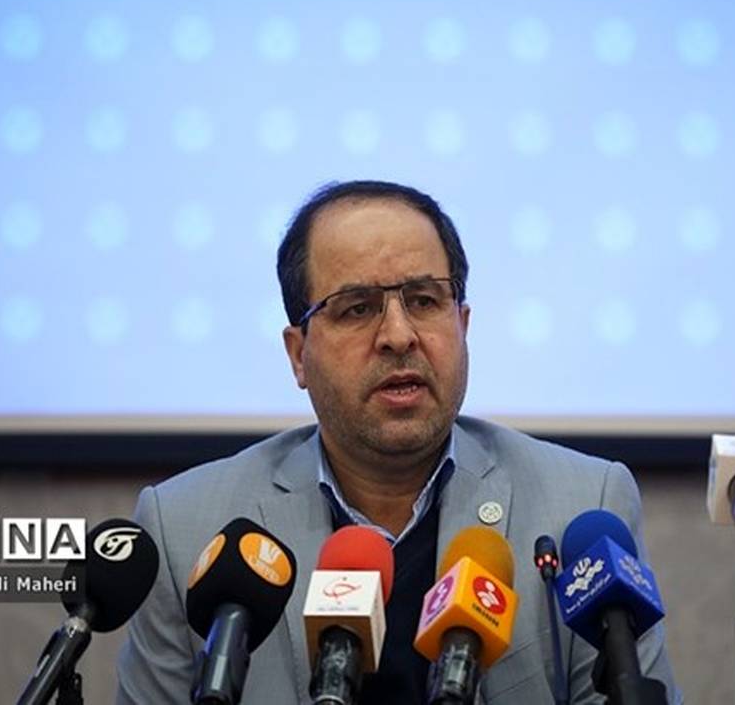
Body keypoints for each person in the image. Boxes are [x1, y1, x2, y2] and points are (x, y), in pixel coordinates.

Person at [116, 180, 682, 704]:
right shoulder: (185, 530)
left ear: (462, 326)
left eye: (424, 300)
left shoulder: (583, 506)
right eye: (357, 308)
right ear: (299, 355)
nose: (398, 335)